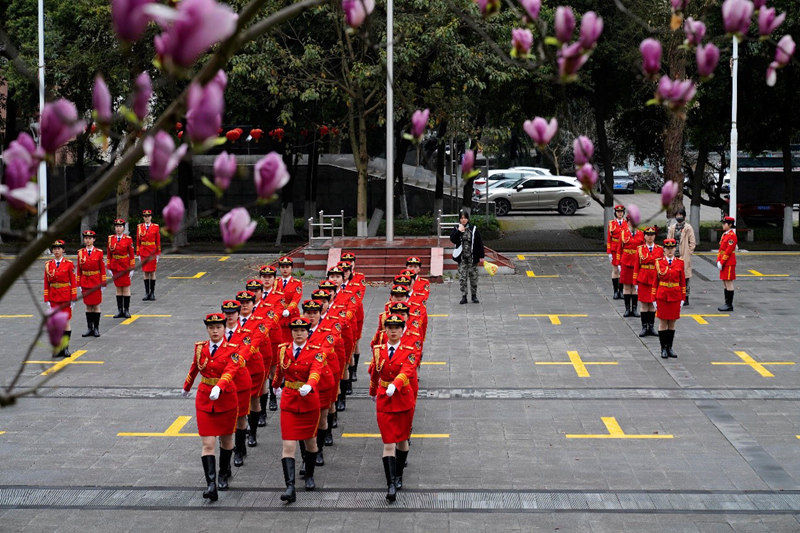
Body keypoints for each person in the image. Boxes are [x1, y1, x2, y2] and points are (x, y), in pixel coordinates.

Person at [181, 313, 241, 501]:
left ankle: (224, 472)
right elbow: (194, 368)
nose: (215, 331)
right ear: (207, 329)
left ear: (225, 328)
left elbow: (231, 370)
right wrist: (186, 387)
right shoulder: (200, 348)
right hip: (205, 398)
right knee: (208, 444)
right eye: (211, 328)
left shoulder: (233, 348)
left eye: (218, 327)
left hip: (225, 398)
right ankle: (211, 484)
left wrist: (220, 386)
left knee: (226, 439)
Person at [272, 317, 325, 503]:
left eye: (302, 330)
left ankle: (309, 475)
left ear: (307, 331)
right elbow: (280, 370)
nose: (299, 333)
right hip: (289, 401)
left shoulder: (317, 351)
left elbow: (316, 371)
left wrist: (310, 385)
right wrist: (275, 385)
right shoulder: (283, 350)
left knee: (311, 443)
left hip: (309, 401)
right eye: (295, 330)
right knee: (288, 446)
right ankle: (290, 486)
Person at [368, 314, 419, 502]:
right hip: (384, 399)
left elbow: (408, 370)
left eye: (397, 327)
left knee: (402, 440)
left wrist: (395, 384)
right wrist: (373, 391)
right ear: (385, 330)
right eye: (390, 327)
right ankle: (390, 484)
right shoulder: (379, 349)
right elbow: (375, 371)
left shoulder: (409, 349)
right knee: (388, 442)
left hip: (402, 398)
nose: (393, 330)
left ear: (402, 329)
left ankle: (399, 474)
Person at [234, 289, 270, 448]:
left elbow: (255, 342)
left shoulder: (259, 321)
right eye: (241, 303)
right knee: (236, 403)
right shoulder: (231, 321)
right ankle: (239, 438)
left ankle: (253, 432)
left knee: (254, 399)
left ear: (253, 303)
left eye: (247, 302)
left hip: (253, 365)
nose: (244, 306)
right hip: (235, 368)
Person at [220, 300, 252, 468]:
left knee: (241, 417)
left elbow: (242, 356)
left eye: (233, 312)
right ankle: (227, 448)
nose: (229, 315)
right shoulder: (218, 331)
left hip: (239, 381)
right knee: (225, 419)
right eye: (227, 312)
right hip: (223, 385)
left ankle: (239, 449)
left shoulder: (246, 333)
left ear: (238, 314)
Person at [652, 239, 686, 359]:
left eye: (672, 248)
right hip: (662, 296)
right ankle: (663, 349)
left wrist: (683, 298)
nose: (670, 250)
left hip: (675, 296)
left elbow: (682, 282)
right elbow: (655, 282)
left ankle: (670, 347)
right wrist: (653, 299)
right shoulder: (658, 262)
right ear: (664, 249)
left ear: (675, 249)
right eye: (667, 248)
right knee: (662, 322)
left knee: (672, 322)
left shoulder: (680, 263)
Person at [44, 240, 77, 358]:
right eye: (54, 249)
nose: (57, 251)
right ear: (52, 250)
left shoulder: (68, 264)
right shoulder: (48, 264)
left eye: (59, 248)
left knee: (66, 322)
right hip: (53, 296)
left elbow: (73, 282)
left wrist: (73, 298)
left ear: (63, 250)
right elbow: (46, 282)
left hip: (65, 296)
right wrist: (46, 298)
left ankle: (65, 348)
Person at [449, 210, 484, 304]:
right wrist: (459, 231)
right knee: (462, 277)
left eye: (465, 218)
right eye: (461, 218)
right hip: (462, 258)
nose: (463, 220)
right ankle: (464, 296)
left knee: (473, 277)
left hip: (472, 257)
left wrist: (481, 255)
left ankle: (474, 296)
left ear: (468, 218)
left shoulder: (473, 228)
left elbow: (479, 242)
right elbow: (453, 239)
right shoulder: (456, 228)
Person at [633, 226, 663, 337]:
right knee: (644, 305)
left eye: (652, 235)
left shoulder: (660, 249)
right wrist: (635, 282)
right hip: (643, 279)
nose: (650, 237)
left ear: (655, 236)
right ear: (644, 236)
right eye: (648, 235)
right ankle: (644, 327)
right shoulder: (640, 249)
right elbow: (636, 266)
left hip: (654, 279)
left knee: (652, 305)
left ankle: (651, 326)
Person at [77, 230, 106, 337]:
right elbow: (79, 270)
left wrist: (103, 283)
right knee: (88, 306)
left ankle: (96, 328)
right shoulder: (80, 253)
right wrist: (78, 283)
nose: (88, 240)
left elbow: (102, 269)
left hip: (95, 281)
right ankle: (90, 328)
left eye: (90, 238)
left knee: (96, 305)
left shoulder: (99, 252)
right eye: (86, 238)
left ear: (94, 239)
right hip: (85, 281)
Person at [666, 207, 696, 305]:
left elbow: (692, 242)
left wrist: (689, 252)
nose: (679, 217)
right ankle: (675, 295)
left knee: (685, 277)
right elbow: (668, 240)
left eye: (681, 215)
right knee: (674, 276)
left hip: (684, 256)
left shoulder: (688, 228)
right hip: (674, 255)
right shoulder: (672, 227)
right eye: (677, 215)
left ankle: (686, 297)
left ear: (684, 216)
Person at [107, 218, 136, 318]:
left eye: (120, 226)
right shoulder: (111, 238)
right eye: (117, 227)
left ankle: (126, 310)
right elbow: (108, 254)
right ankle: (120, 310)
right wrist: (109, 267)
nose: (118, 228)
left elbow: (132, 254)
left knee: (126, 288)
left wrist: (132, 268)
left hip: (125, 265)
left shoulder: (128, 239)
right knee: (118, 288)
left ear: (124, 228)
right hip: (115, 265)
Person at [619, 218, 644, 318]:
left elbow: (643, 248)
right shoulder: (623, 233)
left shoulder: (641, 234)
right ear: (628, 222)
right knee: (626, 286)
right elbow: (619, 249)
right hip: (625, 261)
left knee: (634, 287)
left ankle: (634, 309)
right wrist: (619, 263)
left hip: (636, 262)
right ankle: (627, 309)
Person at [136, 209, 161, 301]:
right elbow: (138, 241)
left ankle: (152, 293)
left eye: (148, 216)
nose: (147, 218)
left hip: (152, 251)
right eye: (145, 216)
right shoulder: (139, 227)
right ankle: (147, 293)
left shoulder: (155, 227)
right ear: (143, 217)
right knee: (145, 272)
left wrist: (158, 253)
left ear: (151, 217)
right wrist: (138, 252)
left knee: (152, 272)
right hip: (143, 251)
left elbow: (158, 240)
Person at [606, 205, 628, 299]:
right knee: (615, 270)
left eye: (621, 212)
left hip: (623, 250)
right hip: (615, 250)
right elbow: (609, 239)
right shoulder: (612, 224)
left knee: (622, 271)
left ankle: (621, 291)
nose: (620, 213)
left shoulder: (626, 224)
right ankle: (615, 291)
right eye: (618, 212)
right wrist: (609, 252)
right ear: (615, 213)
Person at [717, 216, 737, 312]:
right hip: (723, 261)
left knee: (729, 282)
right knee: (724, 282)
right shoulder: (725, 235)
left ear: (730, 225)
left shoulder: (731, 236)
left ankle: (729, 304)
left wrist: (722, 261)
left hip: (728, 262)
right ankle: (726, 303)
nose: (723, 225)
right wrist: (718, 260)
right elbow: (721, 249)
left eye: (725, 223)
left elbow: (728, 251)